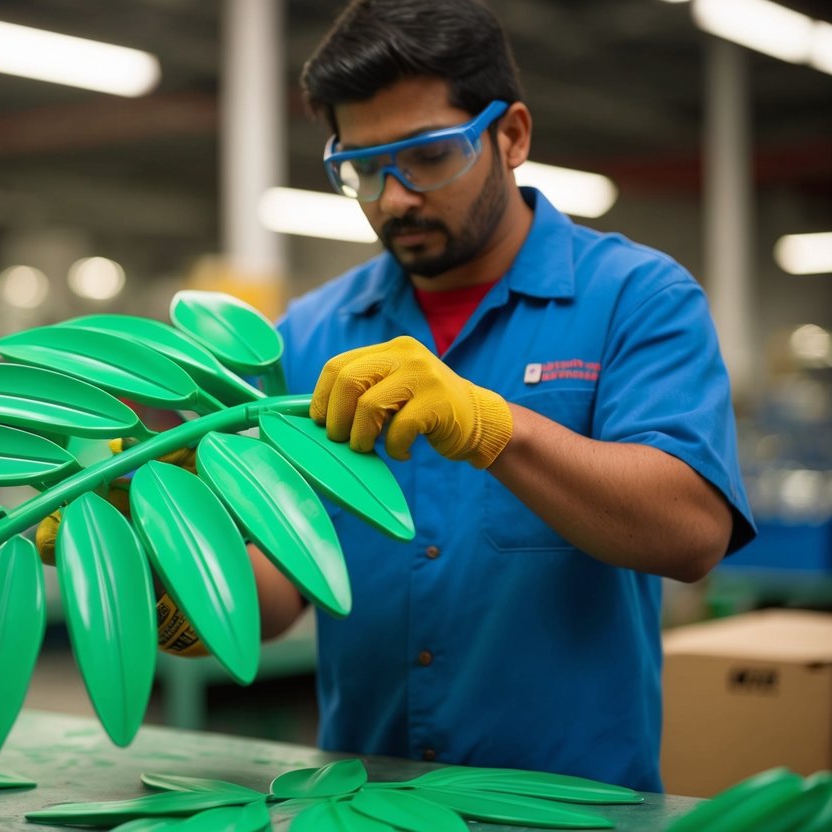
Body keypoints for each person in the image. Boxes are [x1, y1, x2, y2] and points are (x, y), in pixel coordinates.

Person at [251, 0, 756, 792]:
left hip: (574, 806)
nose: (393, 199)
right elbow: (279, 590)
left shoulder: (635, 297)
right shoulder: (313, 333)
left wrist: (492, 427)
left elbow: (690, 533)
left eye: (424, 156)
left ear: (511, 134)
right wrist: (161, 557)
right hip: (362, 802)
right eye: (363, 167)